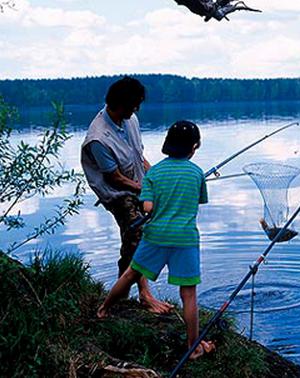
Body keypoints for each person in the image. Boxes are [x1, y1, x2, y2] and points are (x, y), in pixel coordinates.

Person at [96, 120, 213, 359]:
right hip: (185, 239)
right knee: (188, 294)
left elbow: (147, 206)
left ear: (167, 145)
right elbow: (199, 200)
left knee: (130, 274)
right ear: (195, 146)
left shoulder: (154, 173)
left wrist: (155, 203)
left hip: (155, 237)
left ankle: (104, 309)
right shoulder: (197, 173)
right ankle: (193, 347)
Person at [81, 76, 172, 314]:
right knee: (137, 232)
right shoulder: (98, 138)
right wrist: (146, 189)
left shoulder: (130, 119)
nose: (137, 109)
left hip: (136, 184)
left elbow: (138, 157)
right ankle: (142, 294)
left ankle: (129, 287)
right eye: (134, 104)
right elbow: (115, 178)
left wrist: (156, 179)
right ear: (120, 104)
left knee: (140, 234)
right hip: (116, 193)